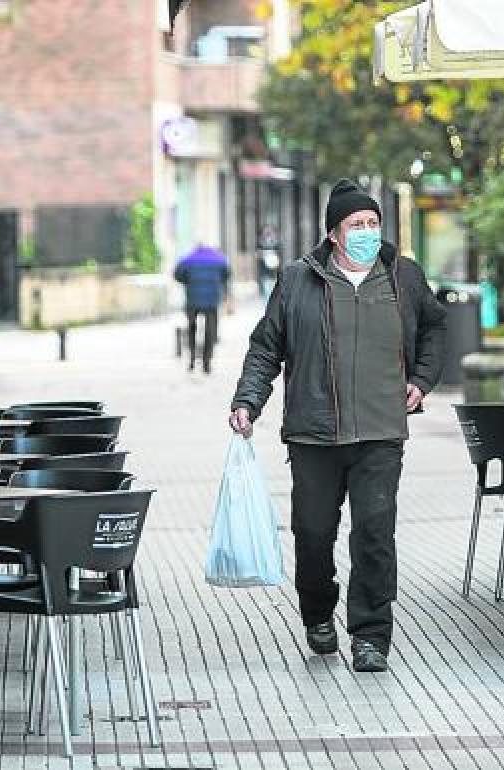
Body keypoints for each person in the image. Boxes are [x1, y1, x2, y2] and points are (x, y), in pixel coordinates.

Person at [228, 179, 447, 672]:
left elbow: (434, 326)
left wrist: (423, 379)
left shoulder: (403, 277)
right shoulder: (297, 281)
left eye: (373, 223)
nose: (368, 232)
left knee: (374, 532)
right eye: (357, 224)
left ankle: (371, 636)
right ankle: (317, 613)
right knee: (311, 533)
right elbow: (266, 348)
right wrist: (248, 401)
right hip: (314, 434)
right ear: (334, 233)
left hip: (380, 433)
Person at [174, 243, 230, 374]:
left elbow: (177, 275)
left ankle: (192, 358)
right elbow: (226, 274)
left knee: (191, 327)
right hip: (212, 300)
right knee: (210, 330)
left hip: (193, 299)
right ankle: (207, 363)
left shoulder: (187, 259)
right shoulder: (219, 260)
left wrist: (188, 282)